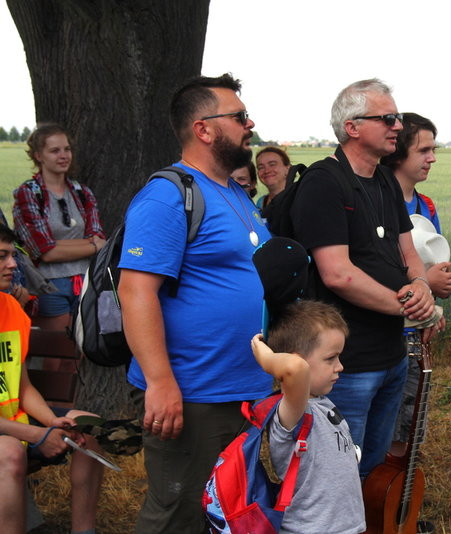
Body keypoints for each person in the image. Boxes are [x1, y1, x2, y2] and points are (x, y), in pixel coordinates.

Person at [118, 73, 272, 534]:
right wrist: (161, 382)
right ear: (203, 129)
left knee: (227, 508)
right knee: (179, 513)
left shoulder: (233, 192)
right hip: (193, 390)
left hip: (241, 387)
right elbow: (136, 291)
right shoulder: (168, 195)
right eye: (240, 116)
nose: (250, 124)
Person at [290, 78, 435, 479]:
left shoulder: (385, 179)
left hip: (392, 355)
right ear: (352, 127)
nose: (397, 126)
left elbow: (408, 252)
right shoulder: (324, 182)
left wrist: (421, 286)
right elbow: (337, 274)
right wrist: (411, 309)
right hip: (347, 364)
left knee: (373, 471)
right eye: (387, 118)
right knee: (338, 473)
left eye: (397, 117)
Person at [0, 224, 104, 534]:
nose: (13, 264)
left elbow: (22, 386)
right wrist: (37, 435)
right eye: (2, 256)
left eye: (13, 255)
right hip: (9, 435)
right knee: (10, 452)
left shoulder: (11, 309)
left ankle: (83, 531)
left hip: (12, 420)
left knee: (88, 427)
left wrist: (51, 422)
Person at [250, 300, 364, 534]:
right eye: (330, 358)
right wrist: (265, 357)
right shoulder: (293, 411)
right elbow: (295, 369)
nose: (340, 366)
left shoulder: (322, 403)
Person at [380, 112, 451, 458]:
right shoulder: (378, 200)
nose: (432, 158)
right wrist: (427, 282)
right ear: (398, 153)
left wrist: (438, 293)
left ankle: (398, 487)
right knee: (384, 424)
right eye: (423, 150)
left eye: (433, 150)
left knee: (409, 421)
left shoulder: (426, 206)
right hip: (386, 328)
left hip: (417, 328)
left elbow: (435, 263)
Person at [12, 123, 106, 331]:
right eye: (55, 151)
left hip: (85, 282)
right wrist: (91, 245)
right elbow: (44, 252)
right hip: (49, 285)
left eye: (67, 149)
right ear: (38, 155)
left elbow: (98, 236)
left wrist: (56, 245)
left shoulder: (82, 192)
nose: (63, 156)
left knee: (82, 348)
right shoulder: (29, 193)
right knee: (58, 349)